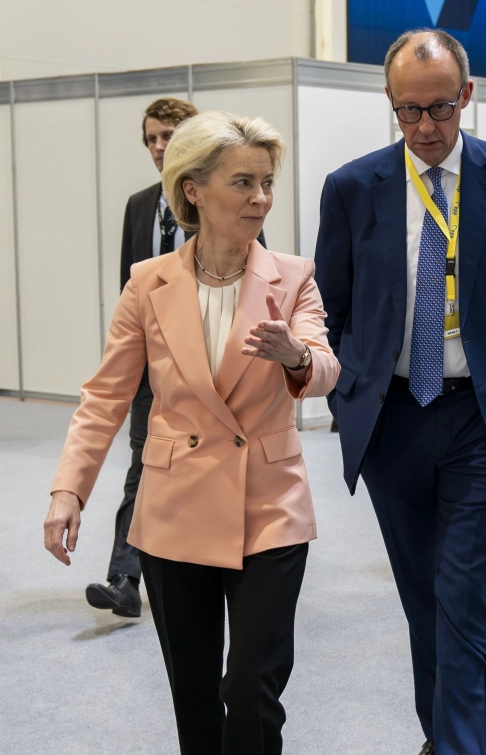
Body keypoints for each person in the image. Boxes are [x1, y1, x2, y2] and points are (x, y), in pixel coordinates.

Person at [43, 111, 339, 754]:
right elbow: (105, 398)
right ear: (193, 190)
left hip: (271, 504)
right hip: (174, 508)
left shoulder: (294, 276)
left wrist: (295, 356)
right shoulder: (148, 284)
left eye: (266, 182)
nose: (260, 198)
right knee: (196, 694)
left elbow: (325, 370)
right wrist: (69, 490)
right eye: (242, 183)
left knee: (252, 685)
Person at [313, 29, 486, 755]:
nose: (425, 128)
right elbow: (327, 311)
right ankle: (446, 734)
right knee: (425, 602)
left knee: (462, 597)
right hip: (392, 419)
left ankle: (462, 746)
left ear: (467, 94)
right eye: (407, 112)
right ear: (390, 106)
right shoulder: (352, 187)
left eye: (439, 109)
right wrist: (346, 397)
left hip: (481, 419)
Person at [87, 98, 265, 618]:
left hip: (209, 372)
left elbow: (253, 281)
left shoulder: (234, 201)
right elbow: (132, 280)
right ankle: (125, 575)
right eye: (150, 138)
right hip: (151, 363)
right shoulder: (139, 204)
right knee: (146, 462)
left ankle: (205, 559)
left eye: (168, 136)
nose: (158, 146)